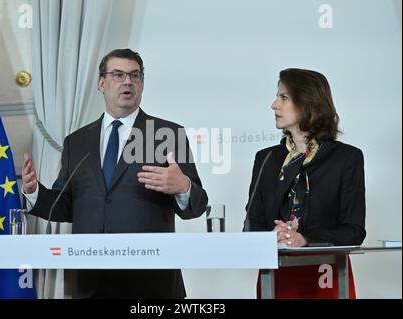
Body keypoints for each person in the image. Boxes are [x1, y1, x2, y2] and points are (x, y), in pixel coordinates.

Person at [22, 49, 208, 299]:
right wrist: (34, 192)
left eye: (135, 75)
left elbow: (196, 207)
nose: (128, 81)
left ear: (142, 83)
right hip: (89, 282)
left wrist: (183, 187)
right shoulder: (76, 142)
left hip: (150, 283)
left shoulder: (167, 134)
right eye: (118, 75)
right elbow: (64, 207)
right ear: (101, 83)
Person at [244, 68, 366, 298]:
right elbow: (252, 222)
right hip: (275, 277)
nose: (274, 105)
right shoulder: (266, 158)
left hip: (327, 278)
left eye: (283, 97)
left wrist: (304, 238)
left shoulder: (347, 158)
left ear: (307, 102)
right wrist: (274, 235)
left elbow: (353, 231)